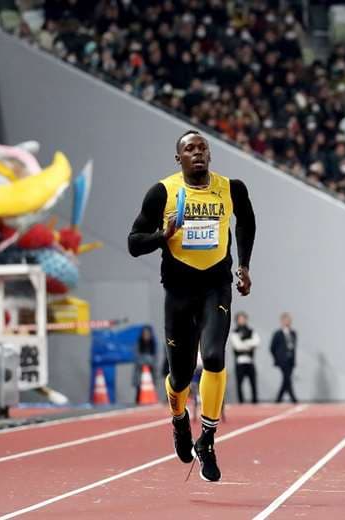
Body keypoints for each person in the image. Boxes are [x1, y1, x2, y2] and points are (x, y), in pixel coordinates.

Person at [127, 130, 256, 482]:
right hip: (179, 290)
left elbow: (246, 220)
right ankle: (179, 420)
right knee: (181, 376)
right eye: (189, 149)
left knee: (213, 357)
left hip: (216, 286)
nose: (197, 153)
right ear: (178, 158)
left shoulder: (231, 189)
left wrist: (244, 266)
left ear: (210, 155)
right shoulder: (163, 192)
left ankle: (208, 440)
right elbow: (134, 243)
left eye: (202, 148)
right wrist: (163, 236)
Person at [229, 311, 260, 403]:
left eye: (244, 318)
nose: (242, 320)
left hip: (250, 361)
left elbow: (257, 342)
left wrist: (244, 344)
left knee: (253, 383)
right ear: (237, 320)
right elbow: (238, 346)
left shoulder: (251, 331)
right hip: (240, 362)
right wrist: (249, 344)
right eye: (240, 319)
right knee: (239, 383)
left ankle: (255, 401)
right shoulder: (235, 332)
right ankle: (241, 402)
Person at [270, 312, 298, 403]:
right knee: (287, 378)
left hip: (290, 360)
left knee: (287, 379)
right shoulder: (277, 334)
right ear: (282, 321)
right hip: (282, 360)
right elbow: (272, 348)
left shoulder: (293, 333)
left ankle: (278, 399)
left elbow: (293, 347)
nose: (287, 322)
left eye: (289, 320)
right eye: (286, 320)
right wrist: (277, 358)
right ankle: (293, 399)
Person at [133, 326, 157, 403]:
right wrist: (146, 360)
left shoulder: (153, 344)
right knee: (139, 390)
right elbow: (137, 356)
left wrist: (148, 361)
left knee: (150, 388)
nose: (146, 336)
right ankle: (138, 402)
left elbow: (155, 358)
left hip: (151, 371)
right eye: (144, 334)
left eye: (147, 334)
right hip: (140, 371)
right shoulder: (139, 343)